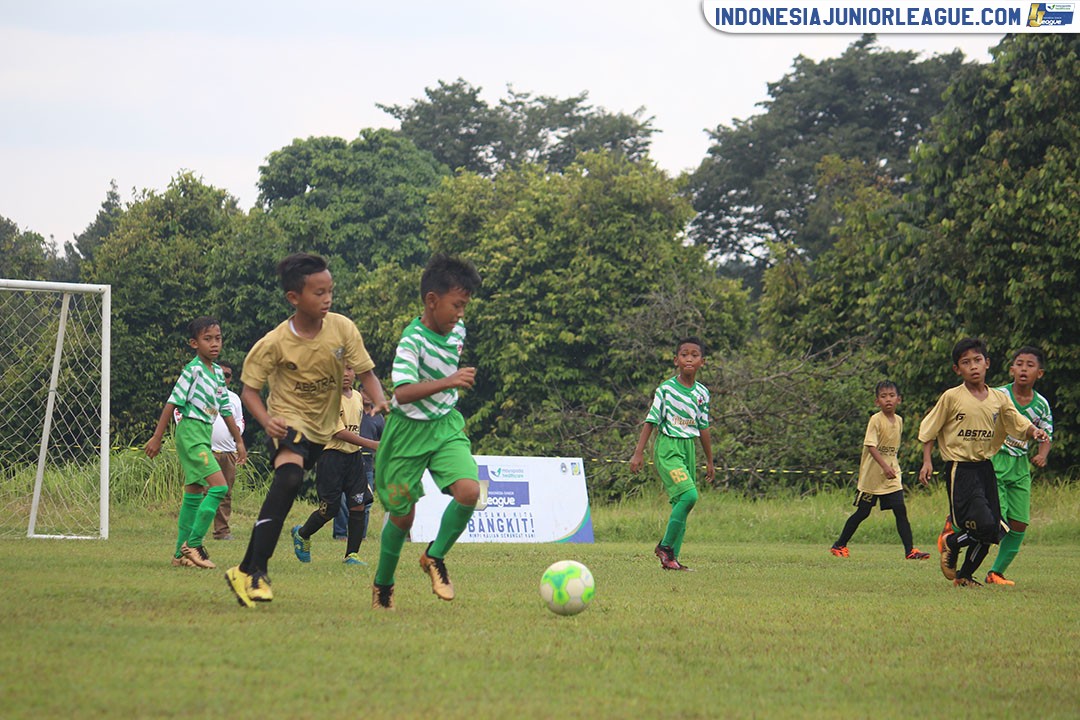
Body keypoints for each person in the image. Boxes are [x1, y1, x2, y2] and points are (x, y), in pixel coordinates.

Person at [224, 253, 388, 608]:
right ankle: (258, 573)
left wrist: (380, 401)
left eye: (330, 291)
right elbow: (249, 391)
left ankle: (243, 568)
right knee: (289, 478)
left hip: (321, 431)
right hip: (287, 422)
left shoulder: (343, 328)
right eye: (318, 292)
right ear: (294, 297)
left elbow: (367, 373)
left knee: (289, 486)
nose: (327, 299)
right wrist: (266, 420)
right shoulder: (275, 342)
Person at [371, 252, 483, 611]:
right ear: (432, 300)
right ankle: (383, 585)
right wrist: (449, 381)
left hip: (445, 425)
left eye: (465, 306)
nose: (460, 314)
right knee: (403, 516)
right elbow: (402, 392)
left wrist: (449, 387)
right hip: (406, 432)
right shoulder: (412, 341)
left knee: (469, 491)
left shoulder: (458, 330)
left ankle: (434, 557)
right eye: (456, 305)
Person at [917, 338, 1049, 588]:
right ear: (957, 369)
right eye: (966, 362)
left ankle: (964, 576)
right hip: (960, 469)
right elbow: (929, 429)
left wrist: (1034, 431)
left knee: (996, 529)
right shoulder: (952, 397)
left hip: (986, 467)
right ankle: (951, 542)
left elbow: (1016, 421)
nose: (973, 366)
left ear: (987, 363)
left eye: (977, 360)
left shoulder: (998, 398)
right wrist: (927, 462)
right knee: (985, 524)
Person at [146, 317, 247, 569]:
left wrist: (239, 441)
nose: (214, 344)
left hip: (203, 433)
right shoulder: (192, 370)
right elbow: (172, 402)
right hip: (191, 433)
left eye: (218, 338)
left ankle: (179, 555)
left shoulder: (217, 373)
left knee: (193, 494)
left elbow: (225, 409)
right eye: (207, 339)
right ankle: (193, 545)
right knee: (219, 487)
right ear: (194, 343)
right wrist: (157, 437)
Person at [629, 336, 715, 571]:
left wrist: (709, 460)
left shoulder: (702, 393)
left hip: (688, 448)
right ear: (676, 360)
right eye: (684, 355)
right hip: (668, 449)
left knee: (682, 504)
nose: (689, 359)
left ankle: (671, 559)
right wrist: (638, 453)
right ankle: (665, 547)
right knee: (689, 495)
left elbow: (703, 427)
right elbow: (651, 421)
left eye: (694, 355)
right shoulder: (666, 390)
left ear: (703, 362)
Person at [829, 381, 930, 560]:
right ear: (877, 401)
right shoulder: (875, 420)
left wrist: (891, 467)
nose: (888, 400)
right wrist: (884, 466)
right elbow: (871, 446)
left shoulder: (899, 420)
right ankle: (839, 545)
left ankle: (910, 551)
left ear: (899, 399)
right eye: (883, 397)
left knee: (900, 510)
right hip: (872, 476)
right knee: (863, 512)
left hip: (892, 475)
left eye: (891, 396)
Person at [291, 365, 379, 566]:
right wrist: (372, 444)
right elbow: (338, 432)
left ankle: (352, 555)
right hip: (331, 457)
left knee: (358, 504)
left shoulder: (357, 397)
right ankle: (302, 534)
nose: (345, 373)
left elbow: (353, 430)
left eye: (349, 369)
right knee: (329, 509)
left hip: (354, 457)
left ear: (355, 372)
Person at [984, 346, 1053, 586]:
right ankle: (954, 526)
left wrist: (1042, 455)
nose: (1024, 369)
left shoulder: (1041, 405)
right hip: (995, 459)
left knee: (1019, 523)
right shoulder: (998, 395)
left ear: (1039, 373)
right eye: (1020, 364)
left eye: (1030, 365)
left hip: (1020, 466)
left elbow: (1046, 434)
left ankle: (996, 573)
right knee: (997, 519)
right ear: (1012, 369)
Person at [333, 388, 384, 544]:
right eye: (364, 392)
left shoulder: (378, 418)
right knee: (341, 499)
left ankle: (361, 535)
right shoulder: (353, 407)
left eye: (370, 392)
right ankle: (341, 533)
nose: (367, 396)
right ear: (360, 392)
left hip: (367, 463)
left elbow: (382, 441)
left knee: (365, 500)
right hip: (346, 456)